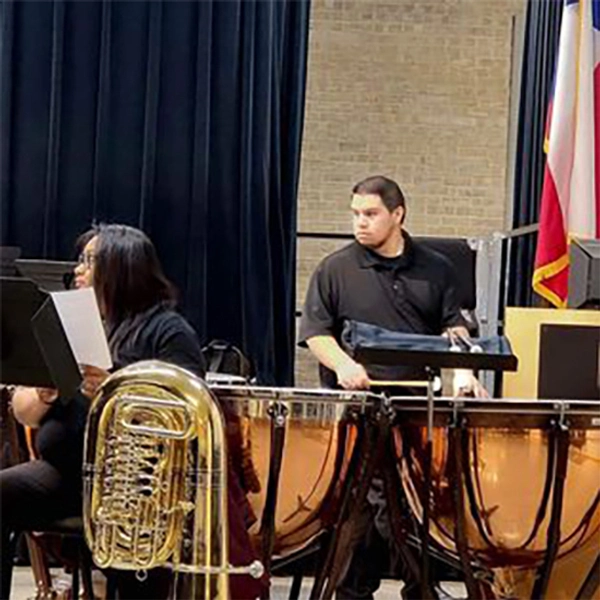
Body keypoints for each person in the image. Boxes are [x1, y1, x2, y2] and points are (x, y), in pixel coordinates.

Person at [1, 224, 265, 599]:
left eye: (89, 261)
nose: (77, 270)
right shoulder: (72, 325)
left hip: (137, 486)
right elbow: (23, 412)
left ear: (122, 267)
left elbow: (188, 416)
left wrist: (110, 387)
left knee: (133, 547)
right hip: (66, 474)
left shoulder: (167, 331)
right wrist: (45, 393)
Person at [298, 175, 485, 599]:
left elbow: (453, 328)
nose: (359, 223)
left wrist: (463, 372)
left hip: (418, 410)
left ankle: (421, 590)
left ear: (397, 214)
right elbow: (316, 333)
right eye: (355, 214)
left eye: (370, 214)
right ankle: (348, 592)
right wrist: (345, 365)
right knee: (357, 511)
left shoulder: (437, 268)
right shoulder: (336, 268)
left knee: (414, 508)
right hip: (358, 410)